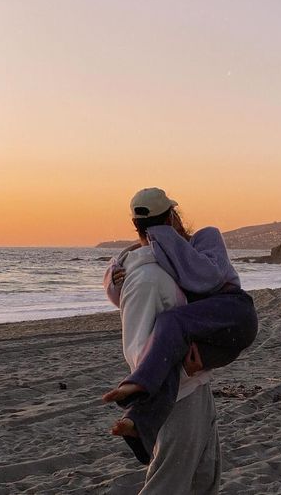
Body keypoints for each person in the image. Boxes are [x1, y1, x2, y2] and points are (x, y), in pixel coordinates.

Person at [103, 187, 258, 464]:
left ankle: (138, 390)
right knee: (202, 474)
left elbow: (205, 278)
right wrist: (120, 266)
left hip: (234, 313)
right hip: (193, 377)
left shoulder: (202, 240)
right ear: (171, 216)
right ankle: (138, 421)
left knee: (172, 322)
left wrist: (160, 240)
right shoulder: (148, 273)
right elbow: (139, 337)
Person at [103, 193, 221, 494]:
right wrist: (186, 368)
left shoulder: (170, 266)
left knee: (204, 479)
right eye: (176, 216)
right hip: (177, 397)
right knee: (167, 485)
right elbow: (139, 350)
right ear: (171, 220)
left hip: (196, 388)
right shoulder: (148, 279)